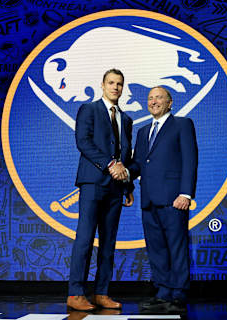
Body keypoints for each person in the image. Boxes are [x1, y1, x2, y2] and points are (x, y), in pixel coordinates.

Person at [67, 69, 134, 311]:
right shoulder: (89, 109)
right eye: (111, 83)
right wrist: (109, 164)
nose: (115, 87)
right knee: (85, 238)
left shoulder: (126, 119)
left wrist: (128, 185)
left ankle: (102, 292)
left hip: (116, 186)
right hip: (93, 182)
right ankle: (75, 293)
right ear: (102, 85)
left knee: (109, 242)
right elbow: (83, 142)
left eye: (119, 84)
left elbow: (127, 154)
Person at [127, 86, 198, 313]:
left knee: (176, 248)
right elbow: (139, 163)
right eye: (150, 98)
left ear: (170, 103)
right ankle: (163, 293)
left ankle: (178, 295)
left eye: (159, 97)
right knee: (156, 249)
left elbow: (190, 160)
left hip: (173, 200)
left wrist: (185, 194)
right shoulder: (142, 131)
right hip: (148, 200)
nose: (154, 101)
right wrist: (125, 174)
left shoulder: (182, 125)